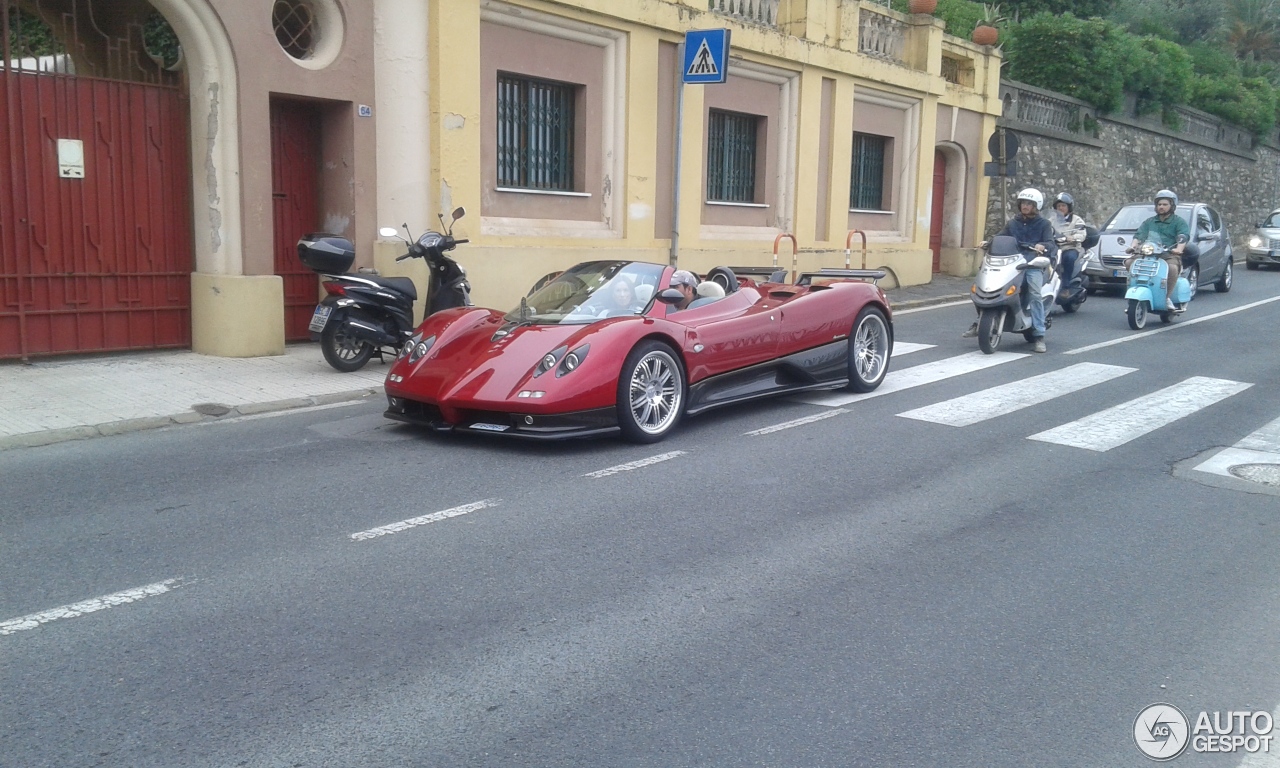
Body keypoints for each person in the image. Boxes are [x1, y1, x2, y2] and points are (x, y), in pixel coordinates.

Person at [963, 187, 1057, 352]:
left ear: (1036, 206)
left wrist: (1042, 245)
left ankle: (1039, 335)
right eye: (1023, 203)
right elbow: (1001, 236)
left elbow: (1050, 243)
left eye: (1029, 203)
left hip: (1031, 263)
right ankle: (979, 321)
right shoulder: (1013, 223)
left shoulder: (1044, 224)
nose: (1025, 206)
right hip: (1011, 262)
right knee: (985, 287)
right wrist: (989, 242)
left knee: (1034, 292)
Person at [1125, 189, 1189, 309]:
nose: (1161, 207)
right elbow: (1139, 235)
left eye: (1165, 204)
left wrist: (1179, 249)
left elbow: (1183, 236)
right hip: (1149, 253)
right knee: (1130, 262)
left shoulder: (1179, 222)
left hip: (1168, 254)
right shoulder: (1149, 222)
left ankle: (1166, 298)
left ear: (1172, 206)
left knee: (1172, 268)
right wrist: (1132, 246)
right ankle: (1136, 290)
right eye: (1159, 204)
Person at [1048, 192, 1088, 296]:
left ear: (1069, 207)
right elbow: (1045, 231)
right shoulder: (1051, 220)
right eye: (1058, 206)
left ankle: (1065, 287)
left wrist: (1072, 238)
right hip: (1055, 248)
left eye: (1063, 206)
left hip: (1070, 247)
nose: (1061, 208)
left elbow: (1082, 234)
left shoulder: (1077, 220)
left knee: (1068, 258)